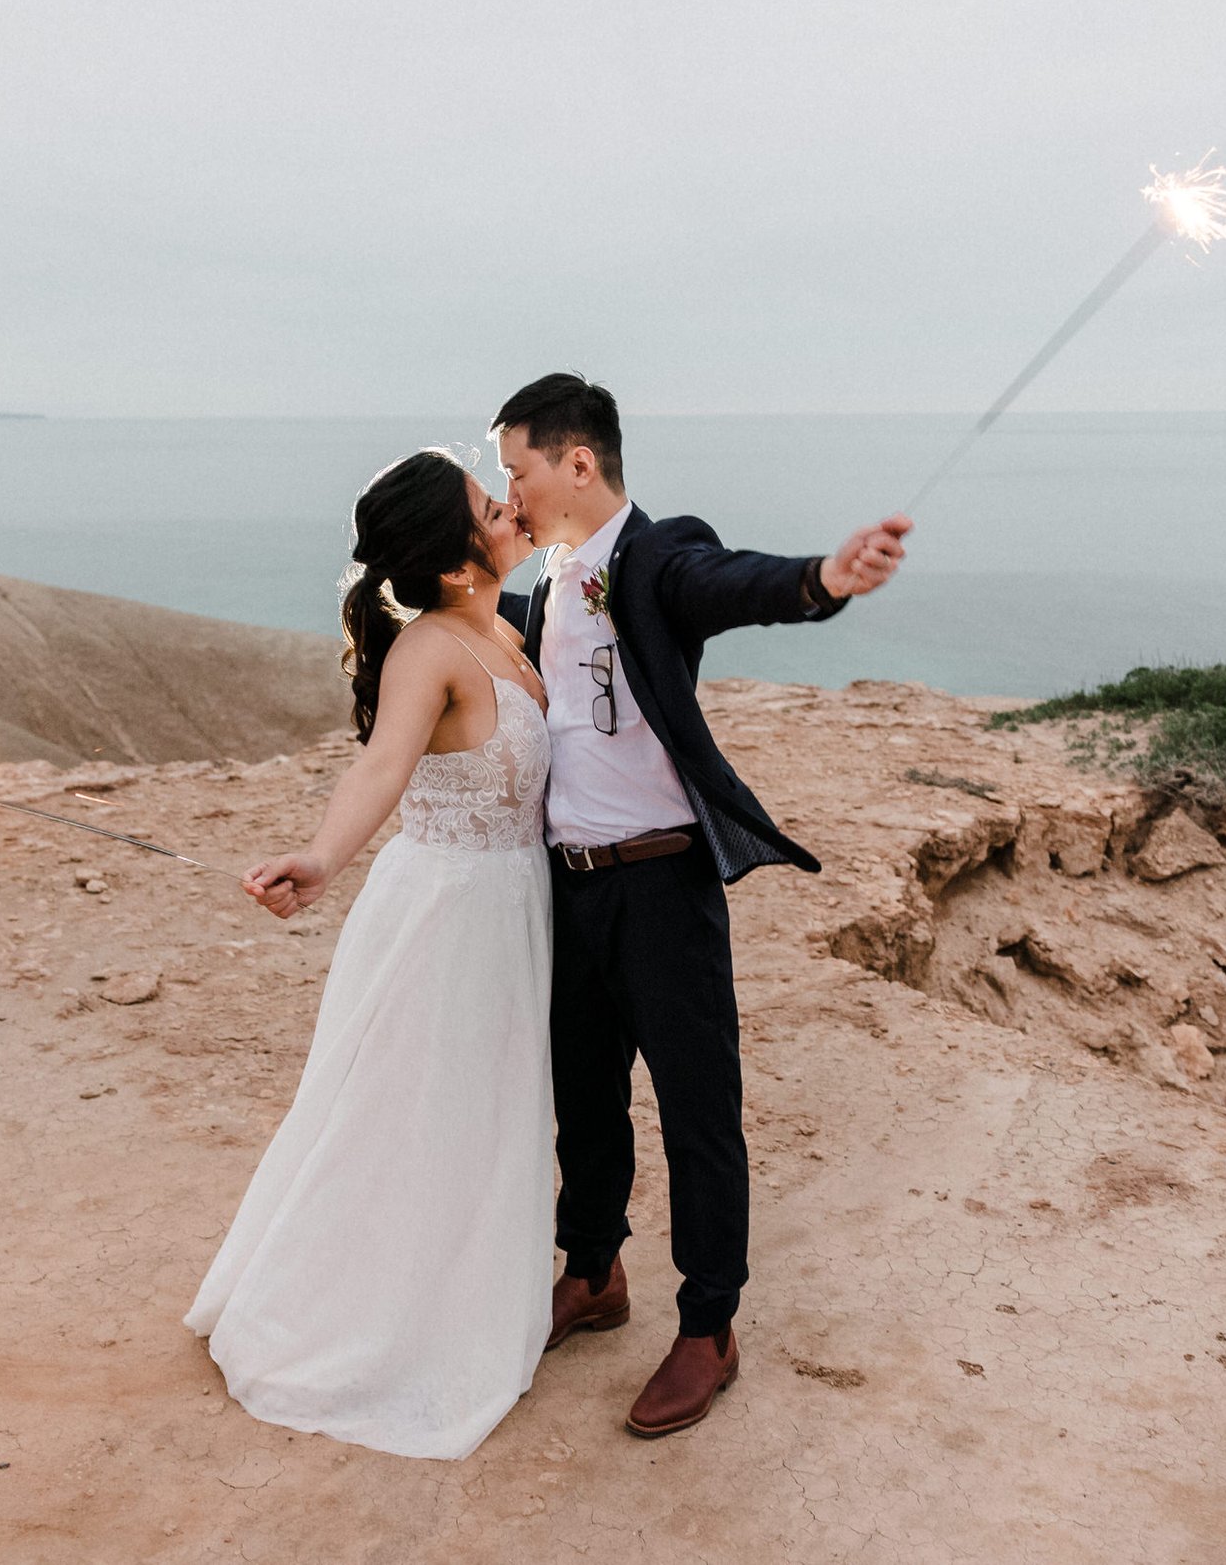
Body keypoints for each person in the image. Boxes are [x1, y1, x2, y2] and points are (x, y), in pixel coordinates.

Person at [492, 373, 909, 1438]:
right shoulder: (540, 590)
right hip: (568, 885)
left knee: (696, 1107)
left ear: (577, 462)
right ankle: (593, 1272)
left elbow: (732, 583)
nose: (513, 490)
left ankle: (708, 1325)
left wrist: (824, 577)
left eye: (519, 469)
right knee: (582, 1093)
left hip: (662, 885)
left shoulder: (655, 555)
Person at [182, 448, 552, 1461]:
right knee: (415, 1111)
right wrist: (320, 857)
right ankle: (366, 1324)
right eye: (490, 502)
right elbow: (384, 765)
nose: (510, 503)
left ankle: (472, 1292)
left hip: (514, 907)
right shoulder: (430, 648)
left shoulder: (510, 629)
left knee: (488, 1111)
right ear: (449, 560)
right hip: (446, 913)